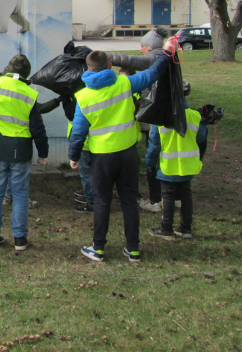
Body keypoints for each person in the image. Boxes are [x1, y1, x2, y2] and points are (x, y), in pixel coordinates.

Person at [68, 38, 178, 263]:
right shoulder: (124, 83)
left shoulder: (84, 97)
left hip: (102, 158)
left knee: (101, 202)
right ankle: (133, 249)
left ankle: (98, 249)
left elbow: (78, 131)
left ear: (88, 69)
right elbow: (152, 74)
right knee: (129, 201)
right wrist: (167, 53)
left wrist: (74, 156)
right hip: (128, 154)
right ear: (110, 66)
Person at [0, 54, 49, 252]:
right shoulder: (29, 93)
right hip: (21, 149)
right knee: (20, 195)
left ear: (7, 68)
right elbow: (38, 128)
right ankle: (20, 239)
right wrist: (43, 153)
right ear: (26, 74)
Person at [108, 27, 170, 213]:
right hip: (160, 111)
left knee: (154, 155)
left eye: (142, 46)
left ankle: (155, 200)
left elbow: (134, 61)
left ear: (149, 47)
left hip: (156, 113)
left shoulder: (157, 56)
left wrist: (106, 56)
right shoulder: (163, 56)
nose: (141, 50)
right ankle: (170, 196)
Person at [146, 97, 218, 240]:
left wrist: (150, 162)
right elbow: (201, 138)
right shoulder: (194, 116)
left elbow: (154, 143)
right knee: (186, 195)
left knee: (167, 195)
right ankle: (186, 228)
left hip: (169, 165)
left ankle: (166, 228)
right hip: (188, 164)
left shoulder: (160, 119)